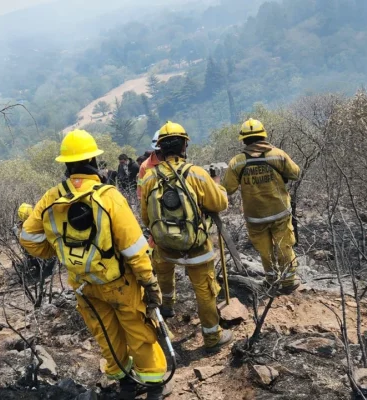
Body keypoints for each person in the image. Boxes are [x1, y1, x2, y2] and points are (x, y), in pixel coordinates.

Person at [19, 129, 166, 399]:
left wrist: (57, 249)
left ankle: (126, 385)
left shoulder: (52, 197)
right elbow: (134, 247)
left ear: (66, 164)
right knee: (138, 330)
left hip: (84, 284)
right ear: (94, 162)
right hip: (119, 282)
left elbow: (28, 237)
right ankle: (155, 386)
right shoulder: (108, 195)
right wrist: (150, 281)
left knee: (106, 334)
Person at [140, 121, 233, 353]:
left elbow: (145, 218)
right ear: (184, 146)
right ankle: (212, 337)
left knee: (163, 276)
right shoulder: (198, 175)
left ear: (160, 149)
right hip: (196, 248)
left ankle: (167, 307)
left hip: (164, 248)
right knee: (205, 291)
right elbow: (220, 203)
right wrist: (217, 184)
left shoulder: (149, 178)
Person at [222, 119, 301, 295]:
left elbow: (228, 188)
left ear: (243, 140)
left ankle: (271, 279)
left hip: (255, 216)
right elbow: (295, 173)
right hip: (279, 211)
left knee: (264, 249)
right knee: (284, 245)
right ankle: (288, 281)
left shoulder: (237, 162)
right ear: (263, 136)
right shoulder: (278, 155)